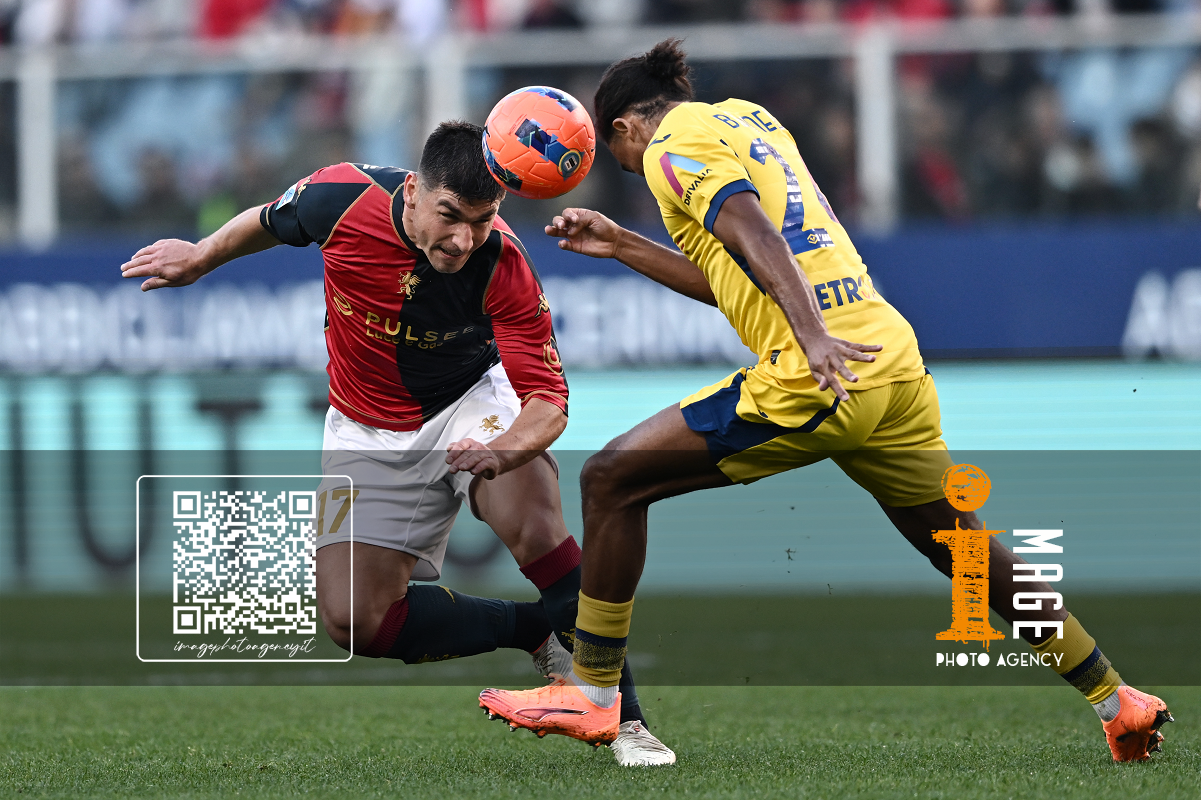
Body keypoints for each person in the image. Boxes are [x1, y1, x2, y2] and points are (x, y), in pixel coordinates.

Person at [478, 41, 1174, 762]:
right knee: (965, 550)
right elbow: (738, 272)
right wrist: (624, 243)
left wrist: (810, 336)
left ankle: (594, 693)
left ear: (625, 126)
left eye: (621, 159)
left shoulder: (668, 146)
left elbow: (752, 230)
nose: (633, 171)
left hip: (821, 369)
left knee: (610, 479)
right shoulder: (749, 120)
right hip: (888, 358)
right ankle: (1116, 698)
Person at [120, 120, 675, 767]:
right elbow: (268, 220)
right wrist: (201, 256)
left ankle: (626, 721)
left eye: (482, 220)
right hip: (361, 426)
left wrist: (507, 448)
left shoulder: (503, 262)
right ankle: (533, 628)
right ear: (412, 191)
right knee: (354, 620)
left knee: (533, 522)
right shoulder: (339, 197)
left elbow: (548, 400)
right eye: (450, 215)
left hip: (470, 401)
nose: (463, 239)